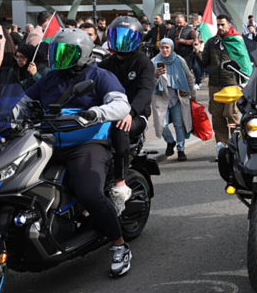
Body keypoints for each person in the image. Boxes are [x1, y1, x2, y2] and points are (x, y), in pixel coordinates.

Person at [16, 28, 134, 277]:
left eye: (66, 52)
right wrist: (6, 115)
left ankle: (119, 245)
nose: (58, 57)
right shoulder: (49, 78)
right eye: (56, 52)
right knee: (19, 186)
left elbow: (121, 104)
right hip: (47, 143)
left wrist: (96, 113)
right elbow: (23, 103)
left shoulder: (100, 75)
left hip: (86, 144)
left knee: (90, 193)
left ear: (82, 53)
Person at [98, 17, 155, 201]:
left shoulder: (144, 63)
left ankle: (119, 182)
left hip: (136, 116)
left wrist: (130, 113)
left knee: (120, 127)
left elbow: (145, 92)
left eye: (126, 37)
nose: (121, 42)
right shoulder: (106, 63)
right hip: (108, 113)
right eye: (117, 36)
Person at [196, 14, 243, 159]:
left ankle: (238, 146)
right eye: (218, 25)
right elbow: (204, 63)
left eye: (223, 24)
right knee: (217, 117)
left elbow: (244, 62)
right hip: (214, 85)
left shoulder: (235, 41)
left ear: (229, 25)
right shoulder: (212, 42)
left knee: (231, 115)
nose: (220, 27)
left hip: (230, 84)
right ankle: (222, 148)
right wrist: (197, 51)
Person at [152, 38, 193, 162]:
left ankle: (181, 149)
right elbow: (148, 81)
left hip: (178, 97)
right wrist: (156, 75)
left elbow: (189, 77)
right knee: (162, 124)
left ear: (171, 48)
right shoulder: (154, 61)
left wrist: (194, 95)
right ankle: (170, 142)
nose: (164, 50)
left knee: (179, 124)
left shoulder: (179, 60)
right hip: (161, 96)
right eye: (162, 47)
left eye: (167, 47)